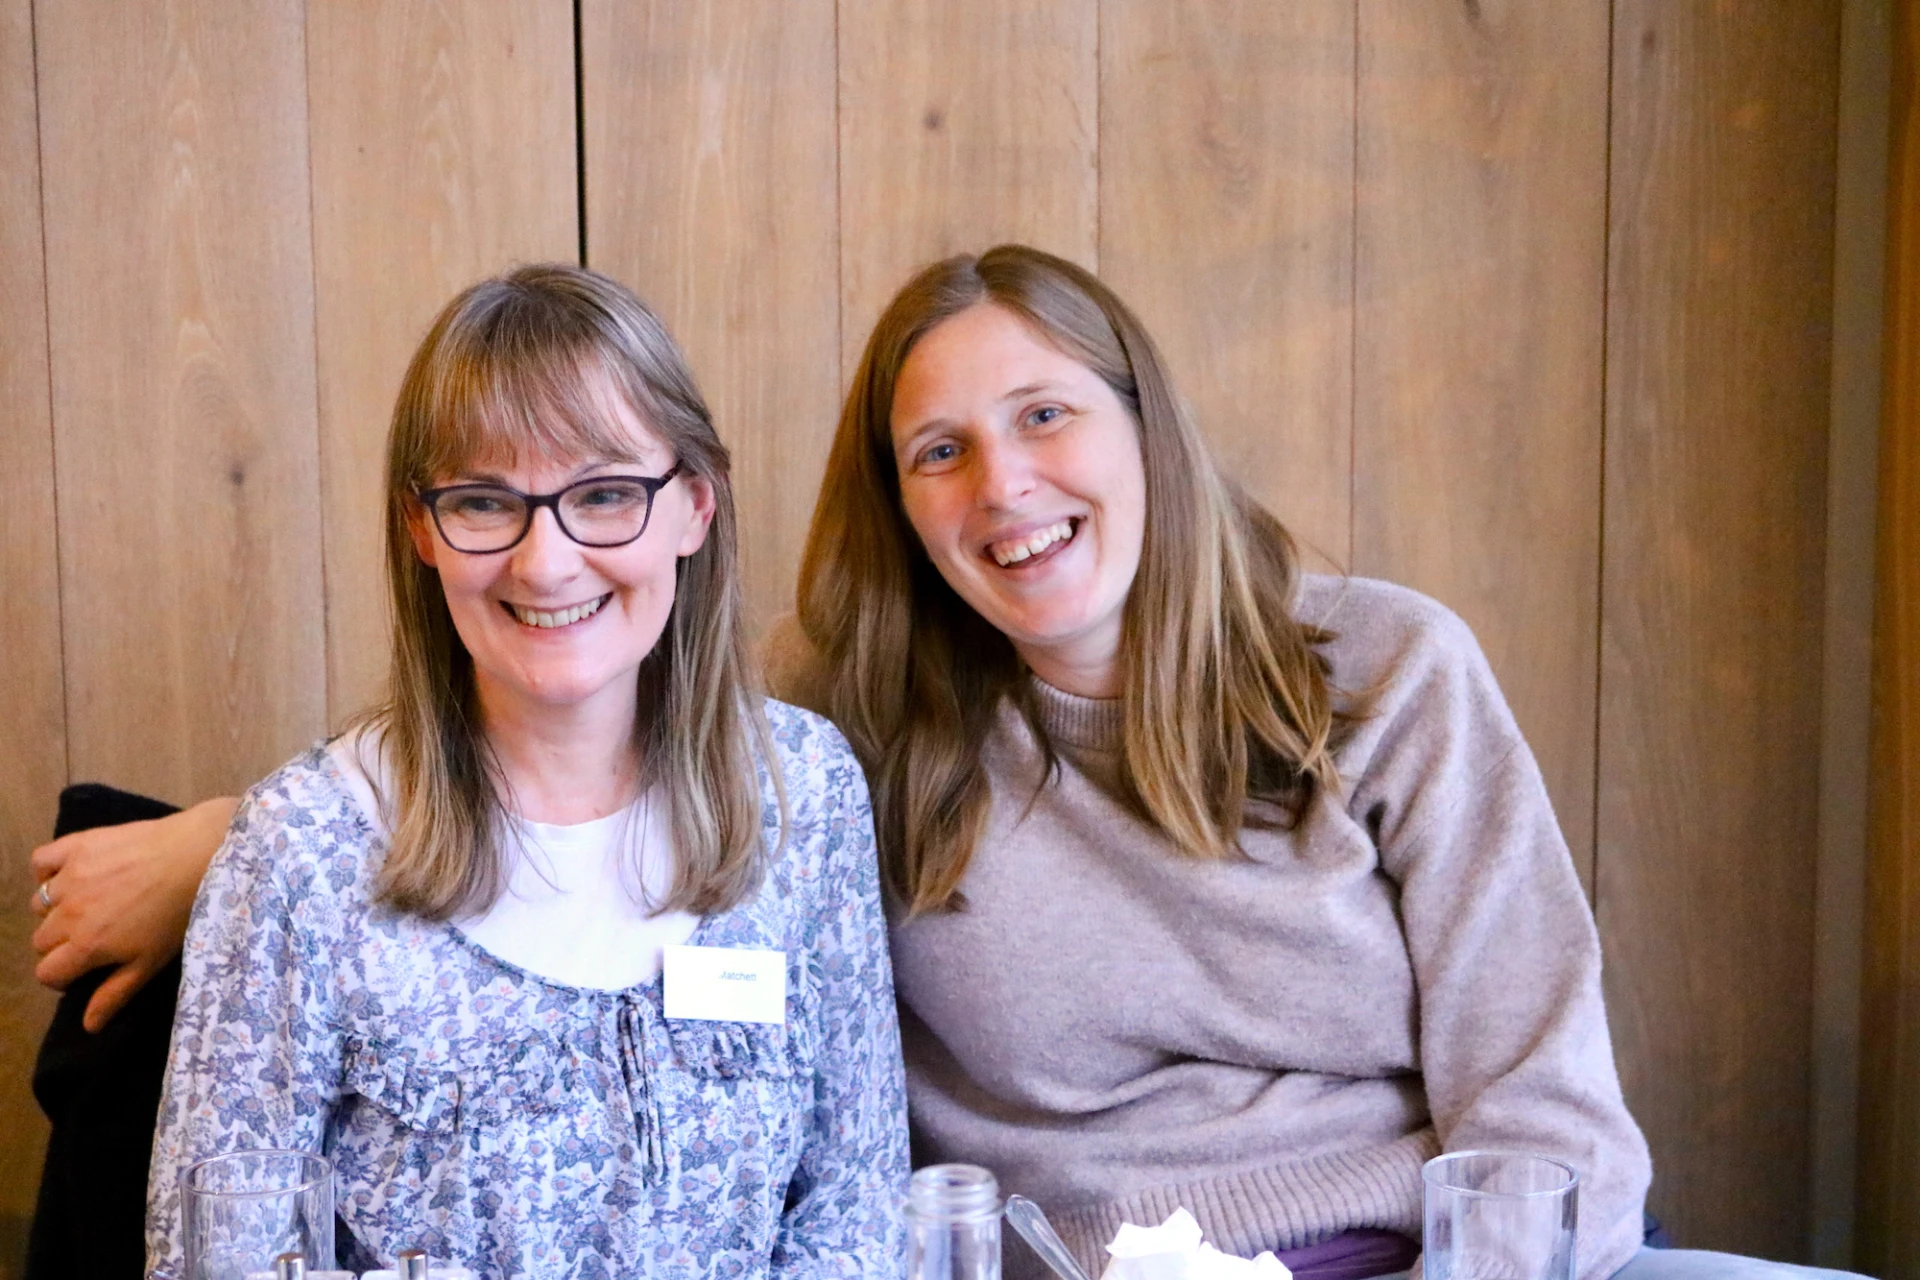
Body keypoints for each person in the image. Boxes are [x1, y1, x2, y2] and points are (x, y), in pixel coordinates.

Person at [31, 248, 1853, 1280]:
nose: (1006, 492)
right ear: (893, 509)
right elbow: (575, 683)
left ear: (1145, 427)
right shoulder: (872, 731)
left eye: (1046, 415)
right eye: (937, 455)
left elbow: (1549, 1115)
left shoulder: (1378, 674)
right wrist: (247, 838)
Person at [128, 264, 908, 1277]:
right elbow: (211, 1257)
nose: (546, 561)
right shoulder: (302, 852)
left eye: (604, 493)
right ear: (422, 529)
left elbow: (861, 1210)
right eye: (487, 501)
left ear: (695, 507)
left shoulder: (802, 791)